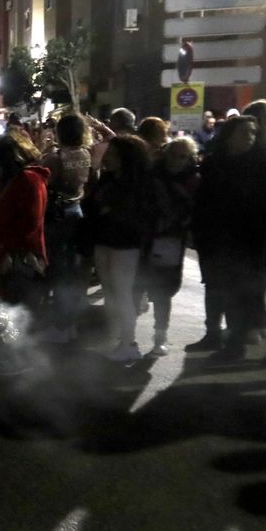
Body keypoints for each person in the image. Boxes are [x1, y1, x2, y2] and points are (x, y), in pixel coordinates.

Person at [190, 116, 266, 362]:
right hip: (215, 236)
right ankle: (212, 334)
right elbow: (203, 200)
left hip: (247, 239)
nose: (249, 138)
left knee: (239, 292)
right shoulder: (214, 163)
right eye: (243, 133)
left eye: (252, 133)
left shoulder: (263, 165)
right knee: (214, 286)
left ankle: (235, 342)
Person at [88, 135, 154, 363]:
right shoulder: (107, 178)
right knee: (111, 293)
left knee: (123, 293)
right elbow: (95, 208)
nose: (109, 158)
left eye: (114, 154)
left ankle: (128, 343)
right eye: (109, 153)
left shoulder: (137, 184)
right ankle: (119, 340)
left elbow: (135, 217)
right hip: (105, 241)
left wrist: (109, 210)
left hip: (125, 245)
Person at [138, 138, 199, 357]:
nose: (177, 161)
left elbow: (196, 209)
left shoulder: (194, 180)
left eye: (183, 156)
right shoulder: (152, 175)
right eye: (174, 155)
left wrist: (180, 223)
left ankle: (160, 336)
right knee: (140, 283)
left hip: (173, 239)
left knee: (165, 290)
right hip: (148, 237)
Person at [38, 113, 94, 343]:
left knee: (59, 271)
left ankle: (60, 326)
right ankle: (69, 324)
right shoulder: (85, 154)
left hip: (57, 216)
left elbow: (40, 178)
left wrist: (44, 149)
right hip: (77, 212)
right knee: (73, 271)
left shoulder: (55, 158)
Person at [0, 132, 49, 306]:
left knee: (16, 312)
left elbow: (30, 222)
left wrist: (6, 250)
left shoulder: (29, 179)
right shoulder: (14, 180)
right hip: (5, 255)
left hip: (16, 258)